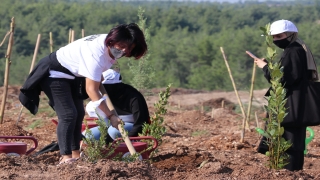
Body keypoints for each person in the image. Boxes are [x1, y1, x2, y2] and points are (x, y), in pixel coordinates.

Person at [19, 23, 147, 164]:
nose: (123, 51)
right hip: (55, 73)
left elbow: (97, 72)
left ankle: (76, 154)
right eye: (121, 46)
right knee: (68, 114)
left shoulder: (108, 47)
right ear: (112, 40)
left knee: (79, 113)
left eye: (128, 49)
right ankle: (66, 158)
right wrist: (111, 116)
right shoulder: (96, 53)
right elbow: (92, 90)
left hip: (74, 76)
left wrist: (97, 74)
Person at [247, 19, 319, 171]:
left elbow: (282, 78)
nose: (276, 40)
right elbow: (291, 73)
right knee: (293, 141)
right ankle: (292, 172)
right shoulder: (297, 48)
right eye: (274, 37)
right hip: (296, 104)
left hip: (291, 106)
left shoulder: (293, 51)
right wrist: (270, 66)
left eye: (279, 36)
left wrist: (265, 67)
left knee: (288, 142)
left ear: (291, 35)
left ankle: (289, 173)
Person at [83, 68, 150, 142]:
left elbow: (141, 123)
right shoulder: (101, 98)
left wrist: (128, 140)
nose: (102, 91)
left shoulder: (133, 97)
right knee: (87, 136)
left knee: (113, 131)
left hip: (130, 127)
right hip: (109, 126)